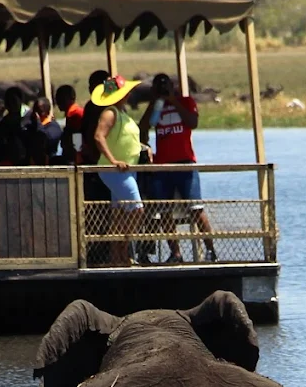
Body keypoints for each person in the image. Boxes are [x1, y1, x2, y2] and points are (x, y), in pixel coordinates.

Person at [140, 73, 215, 262]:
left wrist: (174, 100)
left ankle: (210, 250)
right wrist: (155, 102)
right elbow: (143, 129)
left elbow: (192, 122)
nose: (163, 90)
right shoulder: (157, 107)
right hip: (163, 166)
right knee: (164, 211)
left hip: (185, 163)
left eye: (165, 86)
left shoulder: (186, 101)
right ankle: (176, 253)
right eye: (159, 87)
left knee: (196, 208)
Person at [91, 74, 147, 266]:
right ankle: (121, 249)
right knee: (137, 209)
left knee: (121, 213)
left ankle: (117, 256)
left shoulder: (124, 114)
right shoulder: (110, 113)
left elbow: (126, 139)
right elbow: (99, 137)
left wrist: (143, 147)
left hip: (128, 170)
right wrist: (113, 160)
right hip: (115, 171)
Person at [55, 84, 82, 162]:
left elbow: (77, 136)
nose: (58, 101)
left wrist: (78, 155)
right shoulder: (70, 114)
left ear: (70, 98)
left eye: (61, 98)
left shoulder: (75, 114)